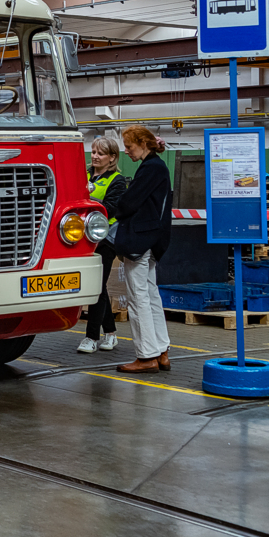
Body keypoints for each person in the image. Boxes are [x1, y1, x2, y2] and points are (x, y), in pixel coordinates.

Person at [112, 125, 174, 374]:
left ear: (145, 144)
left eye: (130, 146)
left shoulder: (150, 168)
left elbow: (128, 203)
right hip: (152, 242)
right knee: (150, 296)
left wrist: (113, 206)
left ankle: (146, 356)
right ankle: (161, 352)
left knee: (138, 299)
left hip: (140, 241)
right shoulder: (157, 167)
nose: (126, 151)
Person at [77, 138, 127, 353]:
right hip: (83, 239)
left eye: (101, 153)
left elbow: (111, 208)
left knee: (96, 286)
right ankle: (111, 333)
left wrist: (88, 204)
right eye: (94, 151)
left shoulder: (117, 180)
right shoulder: (84, 175)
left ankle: (90, 337)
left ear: (112, 157)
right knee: (98, 286)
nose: (95, 156)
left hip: (105, 240)